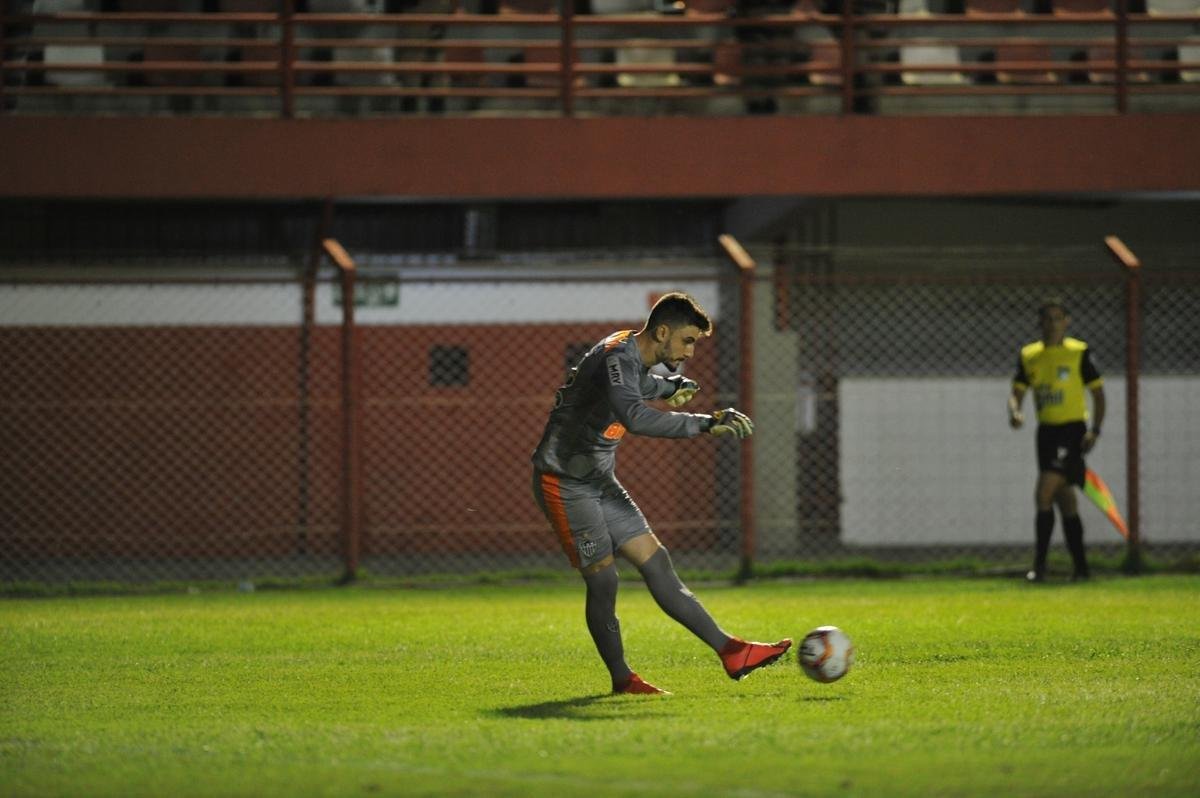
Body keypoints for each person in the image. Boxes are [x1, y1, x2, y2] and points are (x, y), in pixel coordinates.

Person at [531, 292, 792, 695]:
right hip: (564, 483)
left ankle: (732, 651)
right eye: (687, 341)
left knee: (657, 564)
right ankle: (623, 680)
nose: (690, 351)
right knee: (604, 583)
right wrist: (704, 423)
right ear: (663, 332)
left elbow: (639, 383)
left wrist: (670, 385)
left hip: (599, 482)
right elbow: (633, 415)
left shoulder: (631, 353)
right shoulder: (618, 355)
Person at [1007, 297, 1106, 583]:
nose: (1052, 324)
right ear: (1040, 323)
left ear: (1067, 321)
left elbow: (1099, 394)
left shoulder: (1079, 353)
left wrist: (1095, 430)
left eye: (1057, 318)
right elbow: (1017, 391)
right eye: (1047, 318)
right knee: (1066, 500)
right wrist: (1015, 412)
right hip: (1047, 432)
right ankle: (1083, 569)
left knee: (1043, 493)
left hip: (1071, 430)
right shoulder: (1030, 355)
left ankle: (1039, 568)